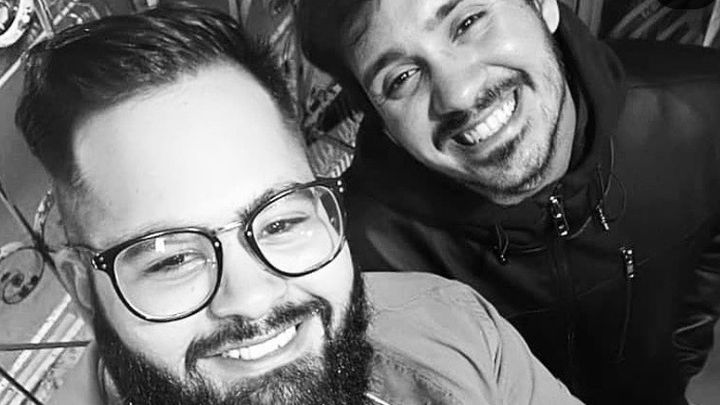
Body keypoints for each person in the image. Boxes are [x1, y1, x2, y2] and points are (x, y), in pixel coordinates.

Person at [14, 5, 581, 405]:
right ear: (83, 291)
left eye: (281, 221)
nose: (254, 297)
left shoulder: (452, 329)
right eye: (171, 259)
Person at [296, 0, 720, 404]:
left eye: (468, 23)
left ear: (542, 5)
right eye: (401, 78)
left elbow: (704, 274)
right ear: (384, 124)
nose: (459, 94)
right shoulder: (362, 257)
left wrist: (670, 375)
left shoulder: (702, 113)